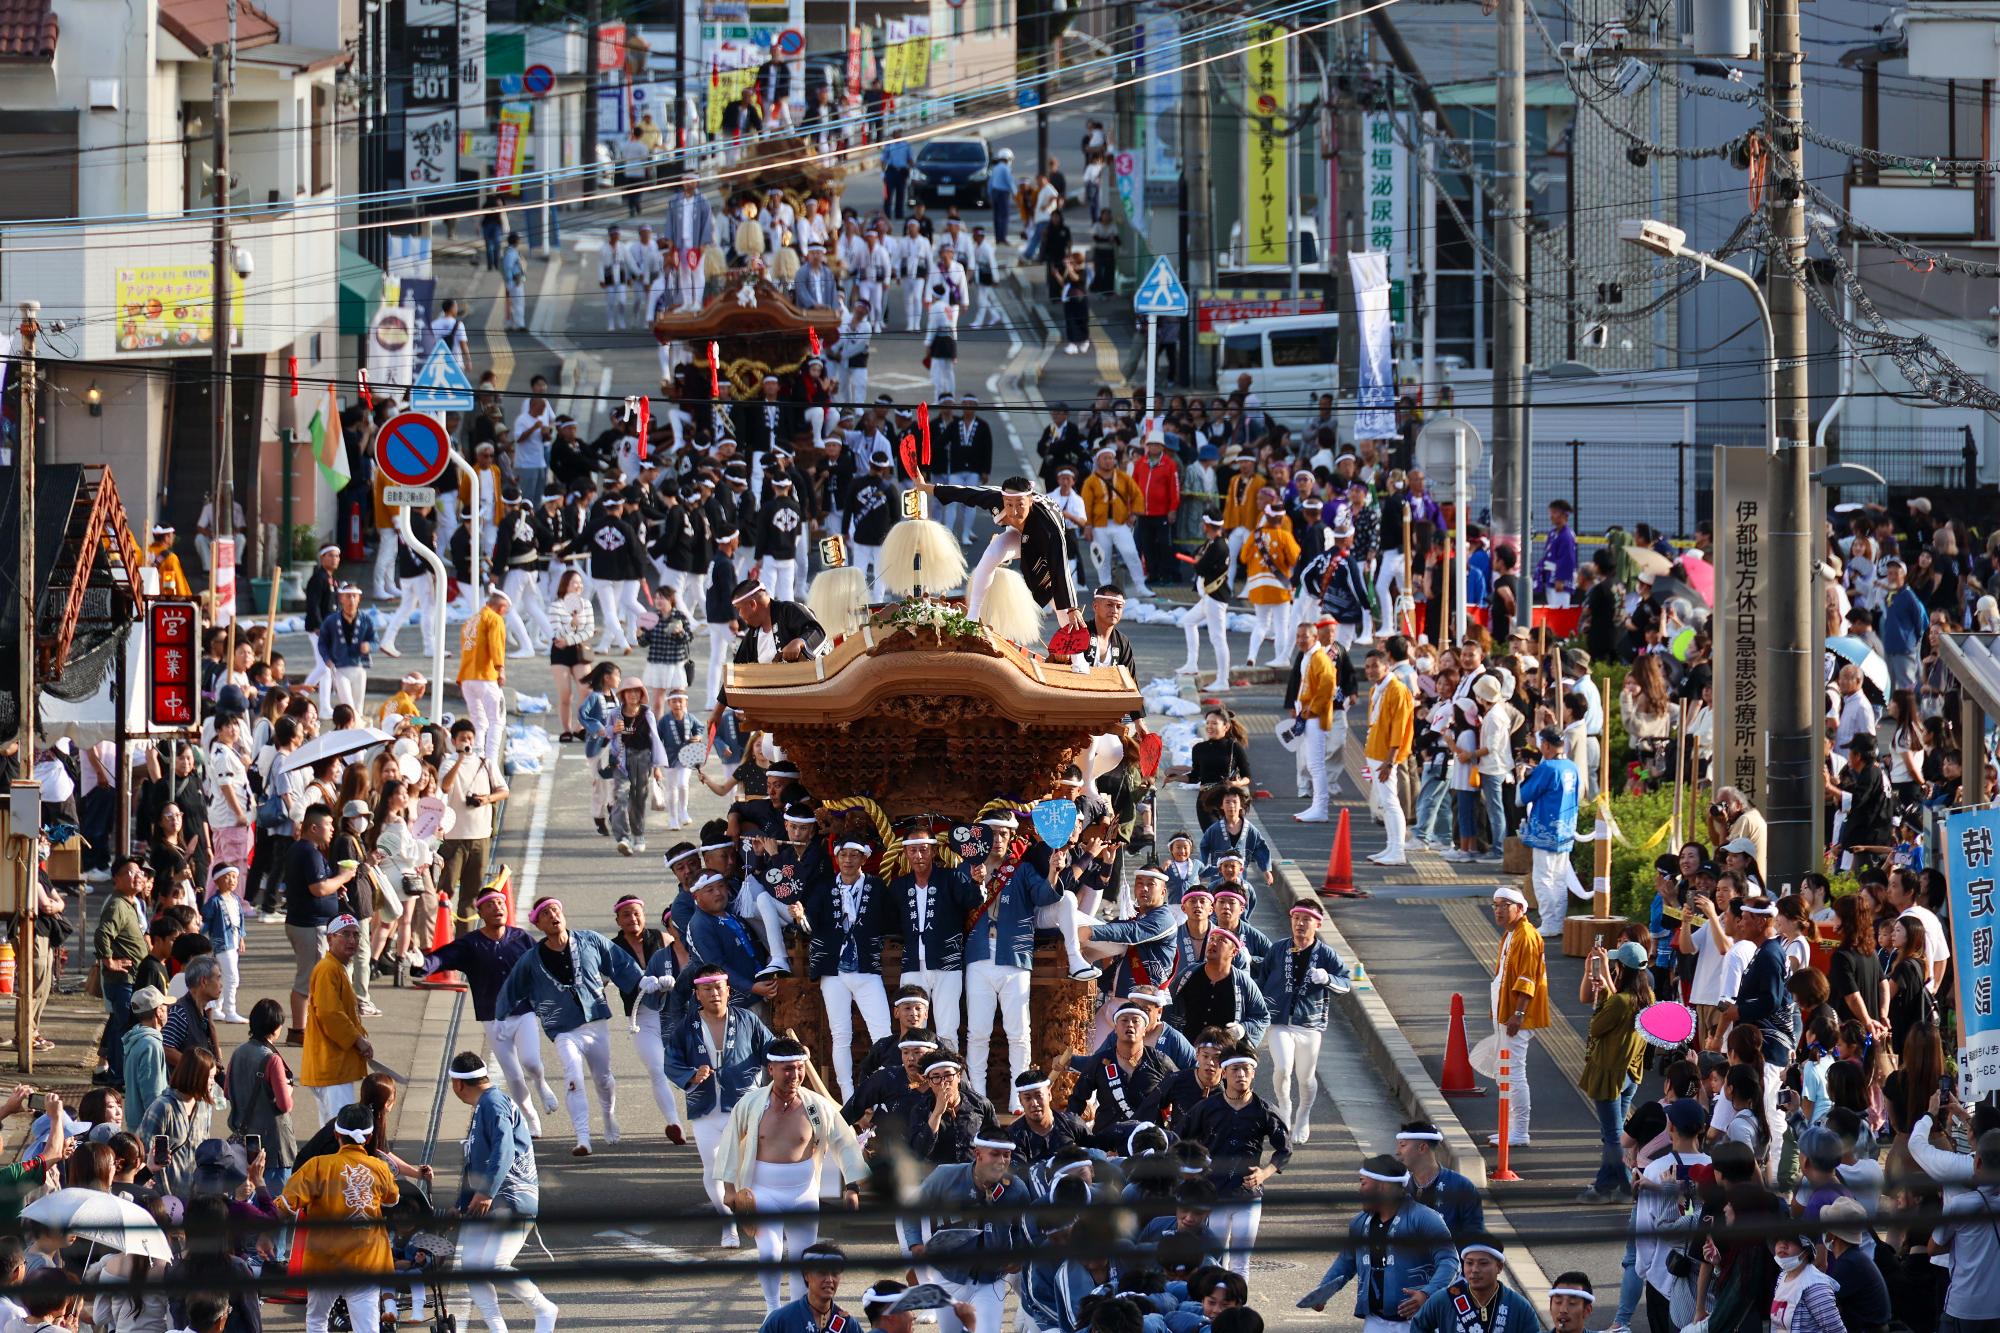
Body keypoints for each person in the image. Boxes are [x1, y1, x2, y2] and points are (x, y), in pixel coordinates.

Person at [713, 1038, 868, 1313]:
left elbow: (844, 1141)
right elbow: (728, 1144)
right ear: (770, 1069)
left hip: (803, 1193)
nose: (795, 1075)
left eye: (799, 1068)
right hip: (762, 1190)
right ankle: (773, 1310)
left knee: (803, 1260)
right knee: (770, 1254)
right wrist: (728, 1189)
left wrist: (852, 1186)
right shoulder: (750, 1105)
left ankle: (799, 1315)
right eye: (787, 1069)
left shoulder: (817, 1107)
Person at [497, 897, 645, 1156]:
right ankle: (583, 1138)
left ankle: (609, 1115)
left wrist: (642, 982)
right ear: (539, 924)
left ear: (563, 914)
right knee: (573, 1077)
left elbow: (619, 962)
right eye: (545, 914)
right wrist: (500, 1017)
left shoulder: (590, 940)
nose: (553, 915)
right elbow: (511, 987)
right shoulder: (532, 959)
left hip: (595, 1022)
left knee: (603, 1078)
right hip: (563, 1029)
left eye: (556, 910)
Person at [423, 887, 557, 1137]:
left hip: (523, 1012)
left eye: (501, 903)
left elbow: (545, 964)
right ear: (480, 912)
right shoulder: (471, 944)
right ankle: (530, 1117)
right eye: (491, 905)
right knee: (514, 1076)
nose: (498, 908)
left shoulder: (522, 939)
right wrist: (423, 965)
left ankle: (541, 1083)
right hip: (492, 1018)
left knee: (531, 1062)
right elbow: (445, 957)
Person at [445, 1051, 560, 1333]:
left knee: (495, 1264)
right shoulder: (483, 1106)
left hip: (511, 1198)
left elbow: (504, 1150)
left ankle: (544, 1309)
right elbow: (475, 1164)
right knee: (472, 1266)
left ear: (458, 1084)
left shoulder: (493, 1103)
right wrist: (461, 1204)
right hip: (485, 1202)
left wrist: (484, 1193)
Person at [665, 964, 776, 1247]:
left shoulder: (747, 1020)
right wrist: (691, 1075)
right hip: (704, 1107)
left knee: (751, 1164)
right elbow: (671, 1061)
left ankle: (759, 1215)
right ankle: (728, 1223)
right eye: (707, 989)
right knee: (714, 1166)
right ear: (697, 994)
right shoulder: (685, 1028)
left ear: (728, 990)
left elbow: (771, 1049)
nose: (714, 993)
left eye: (718, 988)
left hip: (744, 1106)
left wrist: (792, 1053)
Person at [279, 1102, 400, 1333]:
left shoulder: (316, 1166)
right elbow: (392, 1199)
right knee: (367, 1328)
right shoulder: (379, 1168)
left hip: (325, 1262)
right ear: (369, 1137)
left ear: (336, 1134)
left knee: (317, 1321)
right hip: (366, 1262)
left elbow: (285, 1204)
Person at [897, 1135, 1033, 1333]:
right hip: (948, 1277)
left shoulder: (1016, 1189)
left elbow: (1027, 1230)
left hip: (990, 1280)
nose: (1001, 1161)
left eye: (1006, 1155)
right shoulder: (945, 1176)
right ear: (977, 1154)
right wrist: (915, 1244)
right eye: (994, 1154)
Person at [1305, 1155, 1460, 1327]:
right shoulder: (1359, 1223)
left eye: (1364, 1183)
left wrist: (1427, 1294)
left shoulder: (1425, 1219)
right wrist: (1323, 1291)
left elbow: (1449, 1260)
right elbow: (1346, 1262)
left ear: (1382, 1187)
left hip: (1418, 1321)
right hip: (1374, 1321)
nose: (1360, 1190)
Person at [1180, 1041, 1291, 1275]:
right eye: (1235, 1069)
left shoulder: (1265, 1110)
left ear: (1253, 1073)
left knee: (1241, 1262)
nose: (1241, 1075)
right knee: (1215, 1258)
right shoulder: (1207, 1108)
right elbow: (1181, 1139)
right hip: (1213, 1193)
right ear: (1224, 1072)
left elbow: (1284, 1149)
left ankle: (1237, 1309)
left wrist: (1264, 1173)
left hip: (1248, 1196)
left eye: (1246, 1069)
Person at [1254, 902, 1349, 1142]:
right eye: (1296, 917)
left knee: (1305, 1077)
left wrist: (1328, 978)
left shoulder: (1327, 954)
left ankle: (1304, 1114)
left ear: (1317, 924)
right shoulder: (1278, 949)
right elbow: (1261, 979)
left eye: (1306, 919)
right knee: (1283, 1068)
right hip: (1279, 1022)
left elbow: (1346, 984)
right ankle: (1284, 1110)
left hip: (1310, 1024)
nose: (1300, 924)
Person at [1578, 940, 1652, 1203]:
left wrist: (1605, 983)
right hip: (1631, 1074)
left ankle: (1625, 1186)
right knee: (1615, 1133)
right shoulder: (1647, 997)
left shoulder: (1620, 1001)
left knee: (1612, 1136)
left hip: (1611, 1075)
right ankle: (1604, 1184)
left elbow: (1596, 1027)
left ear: (1622, 968)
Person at [1489, 887, 1548, 1146]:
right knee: (1507, 1071)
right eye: (1495, 905)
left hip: (1517, 1016)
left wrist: (1518, 1013)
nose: (1499, 910)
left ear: (1520, 909)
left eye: (1504, 905)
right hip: (1507, 1013)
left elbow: (1528, 979)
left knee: (1514, 1072)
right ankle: (1510, 1127)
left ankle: (1520, 1131)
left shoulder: (1526, 936)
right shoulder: (1511, 933)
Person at [302, 914, 372, 1120]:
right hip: (332, 1065)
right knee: (342, 1127)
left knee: (332, 1130)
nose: (352, 940)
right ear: (330, 938)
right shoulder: (327, 969)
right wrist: (358, 1040)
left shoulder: (335, 968)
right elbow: (330, 1013)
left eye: (356, 935)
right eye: (346, 935)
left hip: (333, 1066)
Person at [438, 717, 509, 921]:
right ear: (453, 741)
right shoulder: (448, 763)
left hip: (480, 836)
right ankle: (444, 938)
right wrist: (459, 759)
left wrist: (487, 799)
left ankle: (465, 940)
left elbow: (504, 791)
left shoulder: (486, 763)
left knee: (472, 894)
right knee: (446, 889)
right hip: (453, 837)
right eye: (462, 738)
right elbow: (445, 786)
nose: (467, 742)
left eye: (470, 738)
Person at [226, 996, 298, 1191]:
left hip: (245, 1141)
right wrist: (289, 1087)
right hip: (274, 1146)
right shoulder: (271, 1059)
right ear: (275, 1027)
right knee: (276, 1206)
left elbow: (226, 1092)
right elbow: (285, 1105)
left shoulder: (238, 1052)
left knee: (249, 1205)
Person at [1518, 726, 1583, 936]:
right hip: (1566, 828)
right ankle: (1558, 921)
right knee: (1559, 876)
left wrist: (1521, 777)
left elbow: (1523, 797)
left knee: (1543, 877)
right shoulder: (1572, 767)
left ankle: (1550, 922)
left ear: (1546, 745)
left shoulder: (1548, 768)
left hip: (1546, 828)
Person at [1409, 1235, 1541, 1333]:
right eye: (1469, 1263)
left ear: (1499, 1267)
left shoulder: (1518, 1306)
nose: (1475, 1270)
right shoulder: (1444, 1299)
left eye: (1483, 1263)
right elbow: (1419, 1326)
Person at [1364, 649, 1415, 866]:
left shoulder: (1397, 689)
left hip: (1386, 755)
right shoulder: (1377, 689)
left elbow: (1399, 729)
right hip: (1375, 751)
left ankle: (1398, 850)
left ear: (1387, 666)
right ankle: (1391, 846)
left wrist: (1390, 760)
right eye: (1367, 667)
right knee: (1386, 802)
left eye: (1375, 665)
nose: (1371, 670)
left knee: (1391, 802)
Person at [457, 587, 511, 762]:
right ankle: (491, 761)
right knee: (497, 721)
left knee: (479, 722)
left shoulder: (470, 620)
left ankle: (477, 757)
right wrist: (500, 668)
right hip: (485, 677)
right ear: (501, 608)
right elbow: (496, 645)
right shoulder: (494, 619)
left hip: (466, 677)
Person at [756, 1241, 854, 1333]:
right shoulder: (780, 1320)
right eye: (822, 1272)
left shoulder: (848, 1324)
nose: (829, 1279)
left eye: (835, 1273)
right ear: (806, 1275)